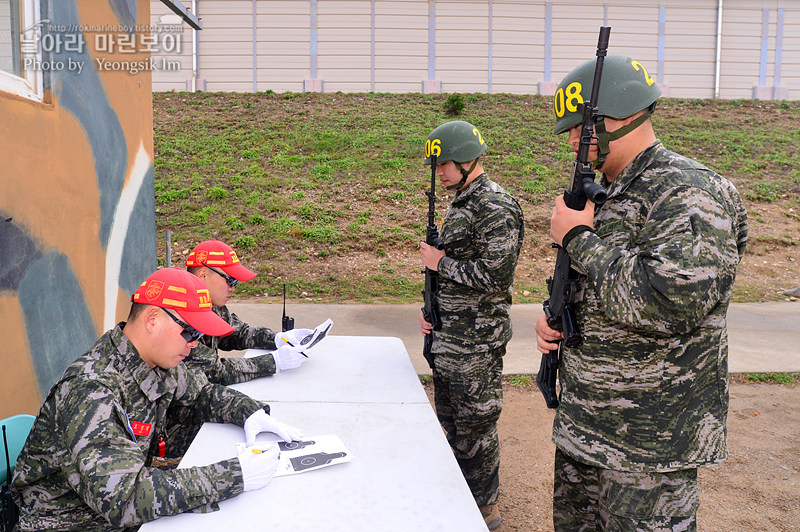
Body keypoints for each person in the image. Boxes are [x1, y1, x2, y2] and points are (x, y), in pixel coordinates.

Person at [535, 55, 748, 531]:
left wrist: (578, 239)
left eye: (577, 129)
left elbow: (668, 302)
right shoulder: (604, 191)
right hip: (587, 427)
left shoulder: (688, 192)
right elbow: (595, 288)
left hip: (649, 445)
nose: (571, 142)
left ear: (615, 117)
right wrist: (557, 319)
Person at [12, 268, 302, 531]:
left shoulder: (156, 362)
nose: (194, 343)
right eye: (191, 332)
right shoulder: (90, 390)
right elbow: (124, 498)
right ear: (152, 319)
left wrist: (250, 413)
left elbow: (201, 393)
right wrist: (234, 475)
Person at [418, 120, 524, 530]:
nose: (439, 172)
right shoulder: (459, 202)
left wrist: (439, 263)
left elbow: (497, 276)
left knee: (476, 426)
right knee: (451, 419)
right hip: (450, 335)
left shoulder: (495, 205)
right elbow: (449, 271)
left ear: (466, 159)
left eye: (443, 163)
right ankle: (458, 496)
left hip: (476, 342)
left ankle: (485, 509)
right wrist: (432, 307)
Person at [184, 239, 312, 386]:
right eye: (230, 280)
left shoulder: (210, 304)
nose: (232, 287)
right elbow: (212, 371)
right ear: (203, 275)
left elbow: (236, 333)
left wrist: (278, 338)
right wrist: (273, 361)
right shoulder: (179, 315)